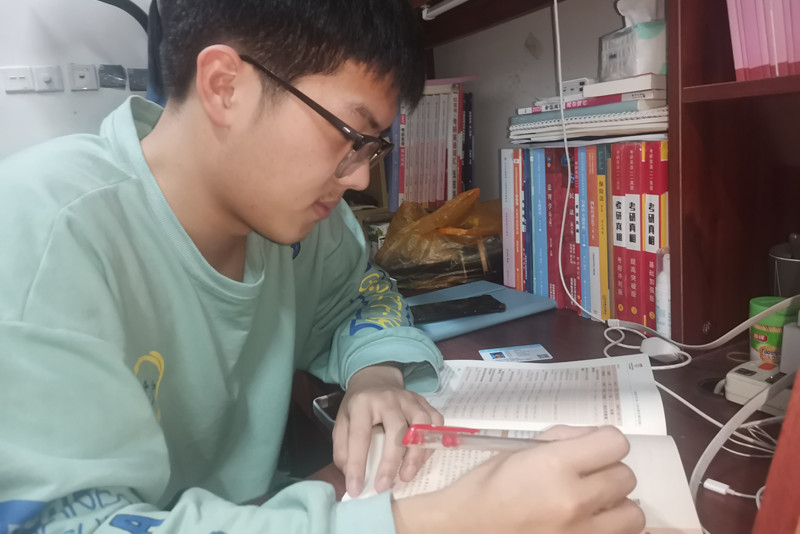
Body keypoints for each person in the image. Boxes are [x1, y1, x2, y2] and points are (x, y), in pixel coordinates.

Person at [0, 1, 646, 533]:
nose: (360, 177)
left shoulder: (305, 226)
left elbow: (363, 292)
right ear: (225, 86)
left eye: (371, 148)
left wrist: (374, 373)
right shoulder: (44, 229)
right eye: (349, 135)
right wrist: (441, 521)